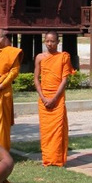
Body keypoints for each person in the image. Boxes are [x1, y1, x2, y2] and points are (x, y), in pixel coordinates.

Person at [34, 31, 75, 167]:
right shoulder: (40, 57)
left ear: (58, 42)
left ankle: (57, 160)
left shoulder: (64, 57)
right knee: (46, 130)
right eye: (47, 41)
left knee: (57, 130)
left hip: (57, 98)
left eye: (53, 41)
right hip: (44, 98)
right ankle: (47, 158)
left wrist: (54, 98)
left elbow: (64, 80)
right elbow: (36, 78)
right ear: (44, 42)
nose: (50, 44)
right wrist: (43, 96)